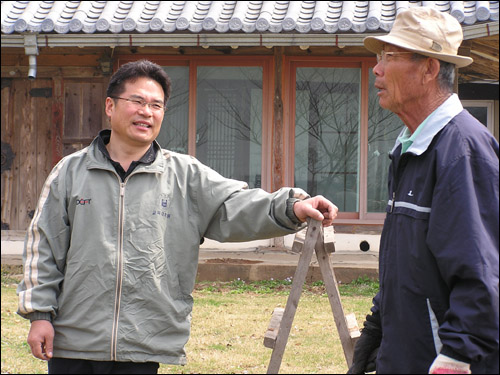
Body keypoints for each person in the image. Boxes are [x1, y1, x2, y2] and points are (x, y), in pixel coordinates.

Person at [17, 59, 338, 374]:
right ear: (110, 106)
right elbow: (44, 246)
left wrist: (292, 206)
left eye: (157, 105)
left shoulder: (184, 175)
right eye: (137, 101)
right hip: (74, 339)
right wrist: (40, 315)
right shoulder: (70, 172)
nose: (147, 112)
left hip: (141, 341)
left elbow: (236, 205)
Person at [347, 7, 499, 374]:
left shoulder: (462, 151)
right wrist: (377, 333)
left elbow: (483, 278)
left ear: (429, 69)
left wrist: (456, 358)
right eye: (378, 57)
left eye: (390, 57)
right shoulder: (411, 148)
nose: (376, 69)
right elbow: (408, 270)